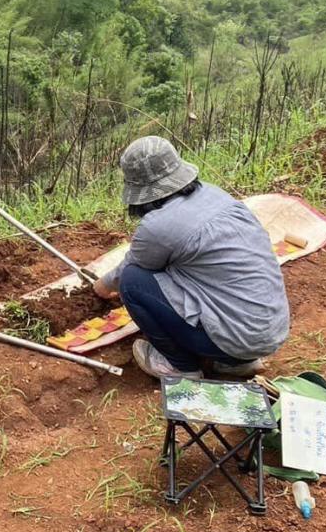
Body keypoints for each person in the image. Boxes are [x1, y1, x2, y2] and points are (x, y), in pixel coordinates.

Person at [92, 136, 290, 379]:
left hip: (236, 339)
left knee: (133, 281)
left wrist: (102, 285)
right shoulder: (215, 195)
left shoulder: (159, 226)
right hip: (270, 332)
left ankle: (180, 366)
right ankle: (235, 364)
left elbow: (130, 267)